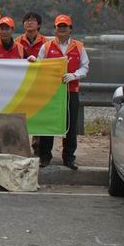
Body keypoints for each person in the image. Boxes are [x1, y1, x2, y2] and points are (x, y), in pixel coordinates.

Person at [37, 15, 89, 169]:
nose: (61, 29)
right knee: (48, 124)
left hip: (71, 91)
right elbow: (39, 65)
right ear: (55, 29)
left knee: (71, 126)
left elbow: (85, 67)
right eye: (59, 26)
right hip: (51, 92)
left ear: (70, 29)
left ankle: (69, 158)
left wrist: (74, 75)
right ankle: (45, 156)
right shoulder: (46, 46)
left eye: (64, 26)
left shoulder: (79, 46)